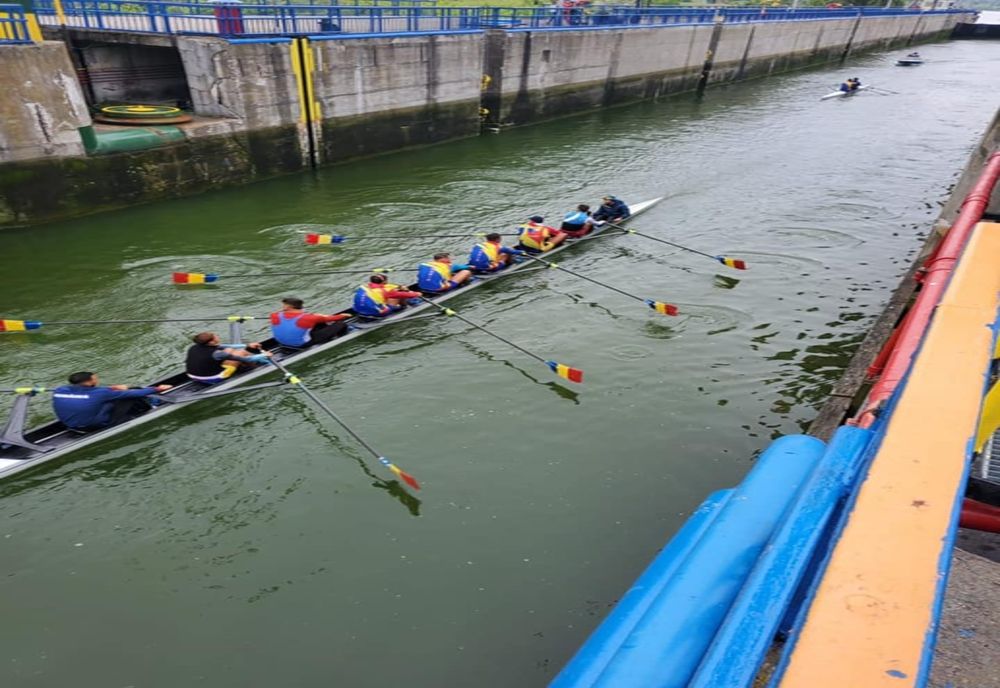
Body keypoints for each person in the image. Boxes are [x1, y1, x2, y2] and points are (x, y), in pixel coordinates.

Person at [52, 371, 172, 430]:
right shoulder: (101, 393)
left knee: (109, 398)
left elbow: (92, 393)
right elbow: (133, 392)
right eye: (95, 379)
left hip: (69, 424)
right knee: (128, 396)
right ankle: (153, 405)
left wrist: (111, 388)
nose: (97, 380)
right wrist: (157, 388)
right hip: (91, 425)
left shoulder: (59, 390)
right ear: (89, 382)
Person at [185, 332, 271, 383]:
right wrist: (264, 354)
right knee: (242, 353)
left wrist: (248, 345)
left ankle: (259, 360)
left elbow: (228, 346)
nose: (218, 336)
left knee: (230, 349)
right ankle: (259, 366)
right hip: (212, 378)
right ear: (211, 342)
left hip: (192, 376)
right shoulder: (217, 354)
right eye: (216, 336)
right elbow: (248, 359)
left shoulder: (194, 347)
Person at [270, 297, 351, 348]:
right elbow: (333, 318)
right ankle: (342, 337)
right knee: (341, 324)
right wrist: (344, 315)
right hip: (302, 344)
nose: (282, 307)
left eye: (283, 305)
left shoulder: (274, 315)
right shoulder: (309, 318)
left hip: (280, 342)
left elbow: (284, 314)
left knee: (315, 324)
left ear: (288, 307)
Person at [353, 274, 423, 317]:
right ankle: (403, 307)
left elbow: (387, 286)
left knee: (390, 294)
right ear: (384, 282)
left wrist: (399, 286)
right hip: (378, 313)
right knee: (399, 294)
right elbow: (403, 294)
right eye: (387, 281)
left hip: (357, 310)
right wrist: (417, 294)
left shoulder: (363, 286)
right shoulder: (385, 291)